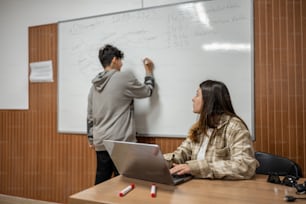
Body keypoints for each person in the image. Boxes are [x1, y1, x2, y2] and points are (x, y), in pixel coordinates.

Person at [87, 44, 155, 185]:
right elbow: (147, 91)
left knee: (101, 185)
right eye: (120, 60)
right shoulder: (123, 77)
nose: (122, 63)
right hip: (121, 142)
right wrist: (149, 72)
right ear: (113, 60)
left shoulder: (94, 86)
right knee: (124, 185)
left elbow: (90, 116)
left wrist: (91, 138)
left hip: (100, 142)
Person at [164, 80, 258, 180]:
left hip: (223, 191)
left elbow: (245, 166)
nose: (193, 99)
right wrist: (162, 162)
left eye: (197, 95)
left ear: (209, 100)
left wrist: (194, 168)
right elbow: (182, 154)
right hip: (196, 187)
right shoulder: (198, 128)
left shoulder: (235, 127)